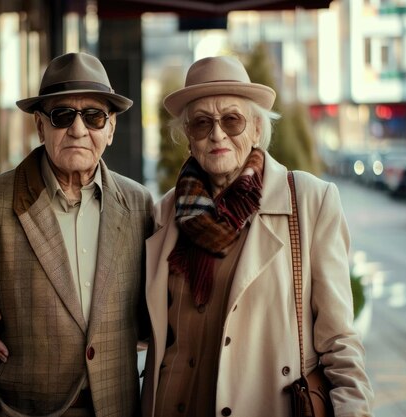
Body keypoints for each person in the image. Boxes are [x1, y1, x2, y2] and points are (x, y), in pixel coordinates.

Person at [140, 55, 374, 417]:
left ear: (255, 127)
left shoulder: (310, 201)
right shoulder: (166, 212)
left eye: (231, 120)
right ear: (188, 135)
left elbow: (339, 341)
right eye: (202, 123)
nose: (217, 134)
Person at [0, 52, 154, 417]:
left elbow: (155, 318)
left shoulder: (140, 205)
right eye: (62, 115)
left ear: (111, 128)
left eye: (94, 116)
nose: (78, 130)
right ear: (40, 126)